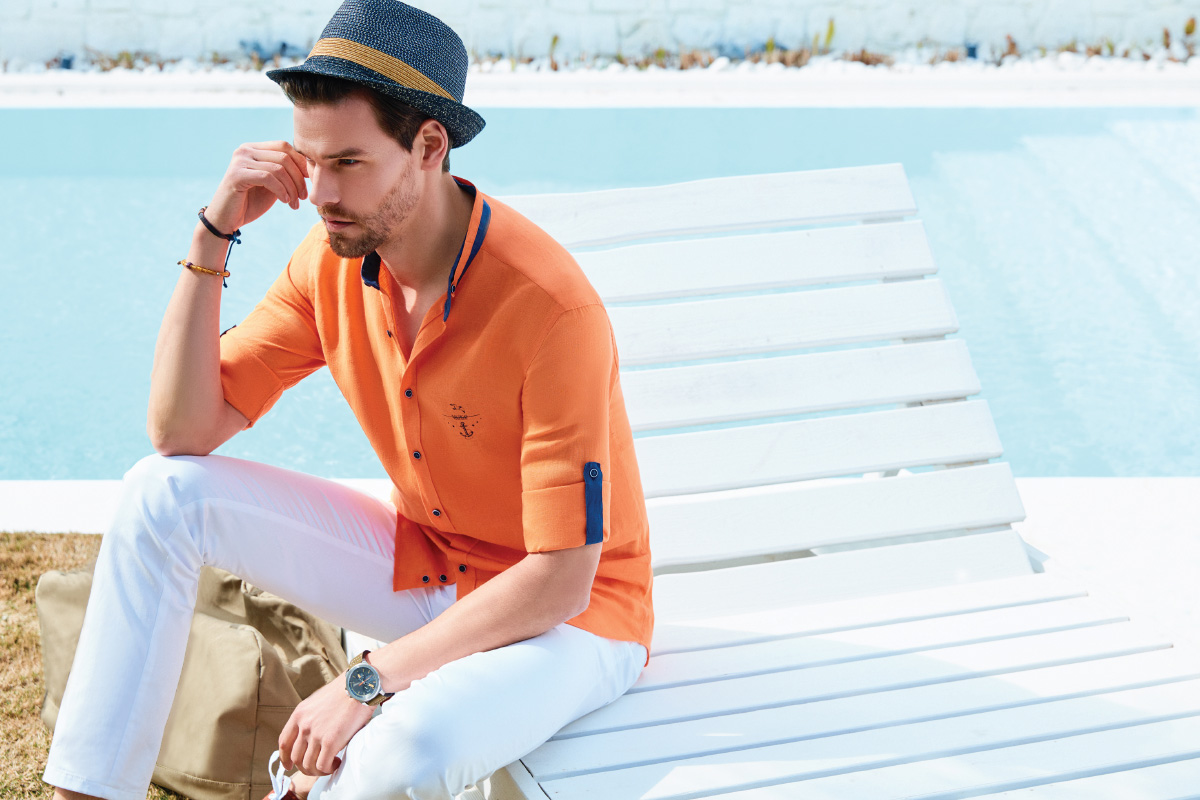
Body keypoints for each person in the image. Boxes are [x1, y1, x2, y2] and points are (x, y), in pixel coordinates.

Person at [41, 1, 654, 798]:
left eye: (349, 163)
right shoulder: (329, 262)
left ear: (428, 146)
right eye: (310, 160)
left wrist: (367, 679)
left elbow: (562, 578)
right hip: (431, 565)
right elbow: (182, 431)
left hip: (574, 621)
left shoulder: (548, 309)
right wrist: (212, 233)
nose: (320, 193)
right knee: (161, 495)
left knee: (406, 752)